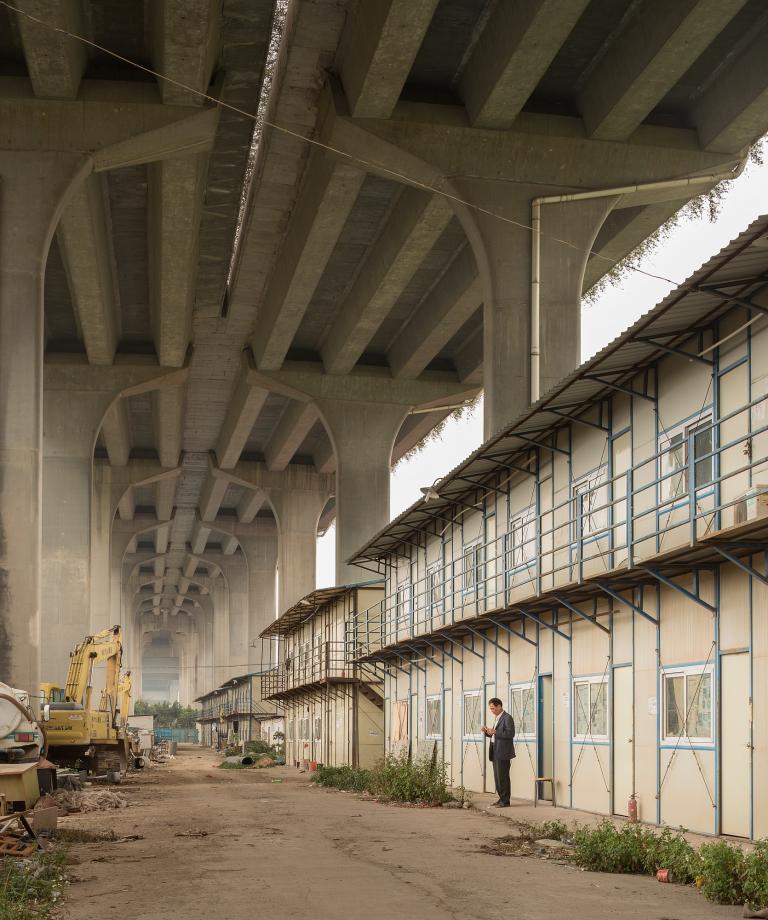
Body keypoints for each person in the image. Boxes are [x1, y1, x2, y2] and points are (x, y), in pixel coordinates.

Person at [482, 698, 515, 807]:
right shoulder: (497, 717)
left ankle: (505, 801)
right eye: (490, 709)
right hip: (495, 750)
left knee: (503, 777)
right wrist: (487, 731)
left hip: (503, 751)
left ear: (499, 706)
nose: (492, 710)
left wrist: (495, 731)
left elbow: (510, 734)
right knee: (497, 777)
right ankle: (501, 798)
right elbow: (495, 735)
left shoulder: (507, 718)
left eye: (493, 708)